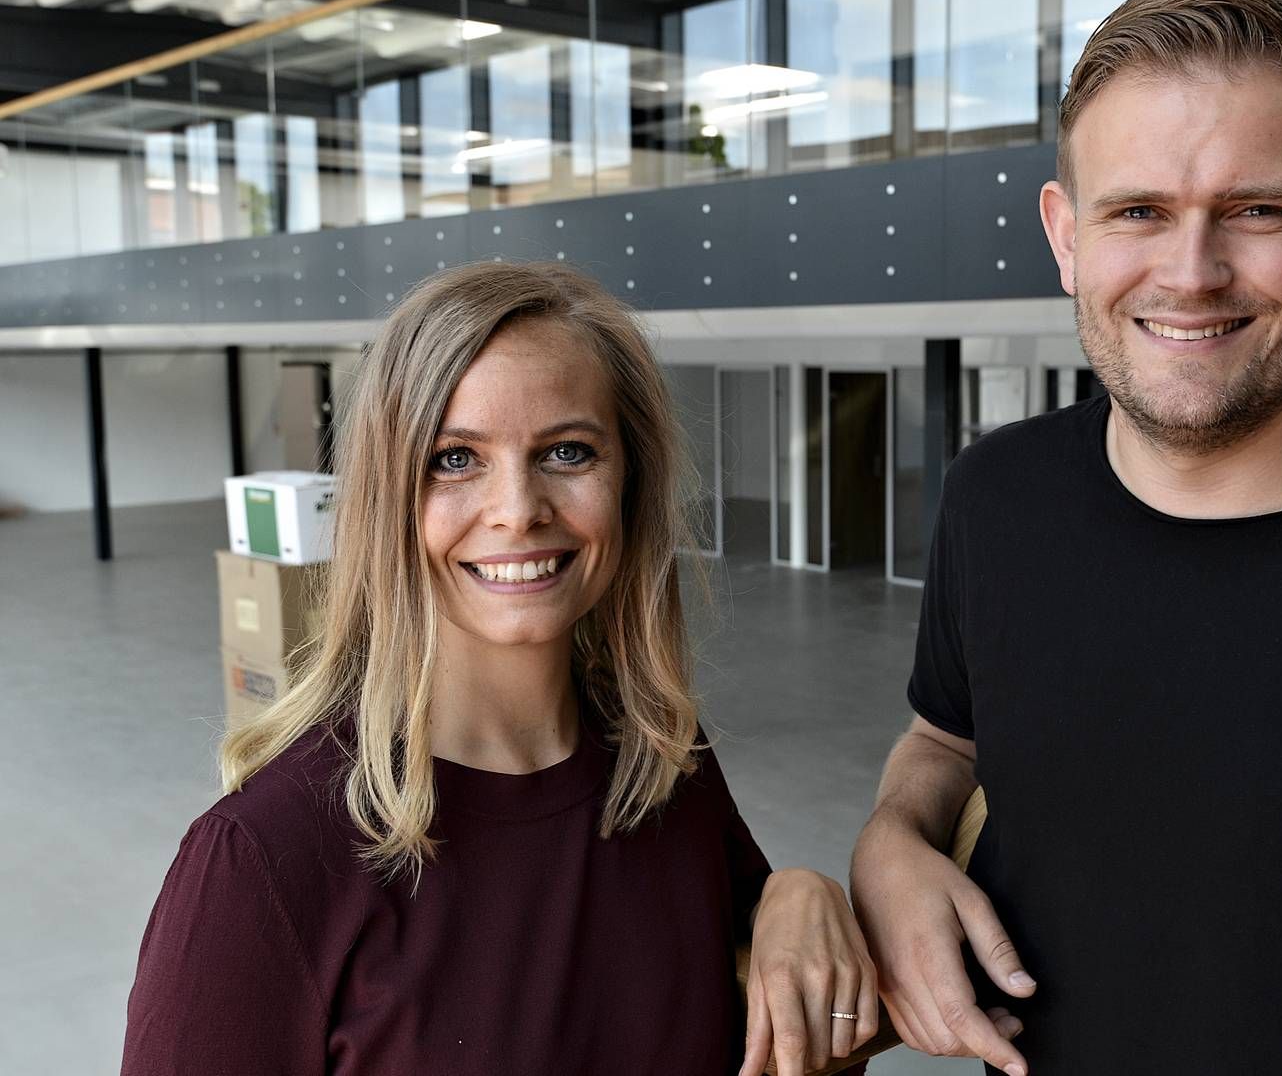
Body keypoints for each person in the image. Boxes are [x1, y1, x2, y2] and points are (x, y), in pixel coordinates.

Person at [849, 0, 1282, 1073]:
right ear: (1066, 236)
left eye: (1256, 210)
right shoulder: (996, 497)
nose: (1191, 272)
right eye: (1137, 213)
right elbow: (944, 739)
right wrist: (891, 844)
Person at [123, 262, 878, 1076]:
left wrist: (799, 892)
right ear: (387, 500)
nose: (518, 508)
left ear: (630, 483)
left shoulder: (662, 761)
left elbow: (757, 971)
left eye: (566, 450)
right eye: (454, 459)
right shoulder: (263, 860)